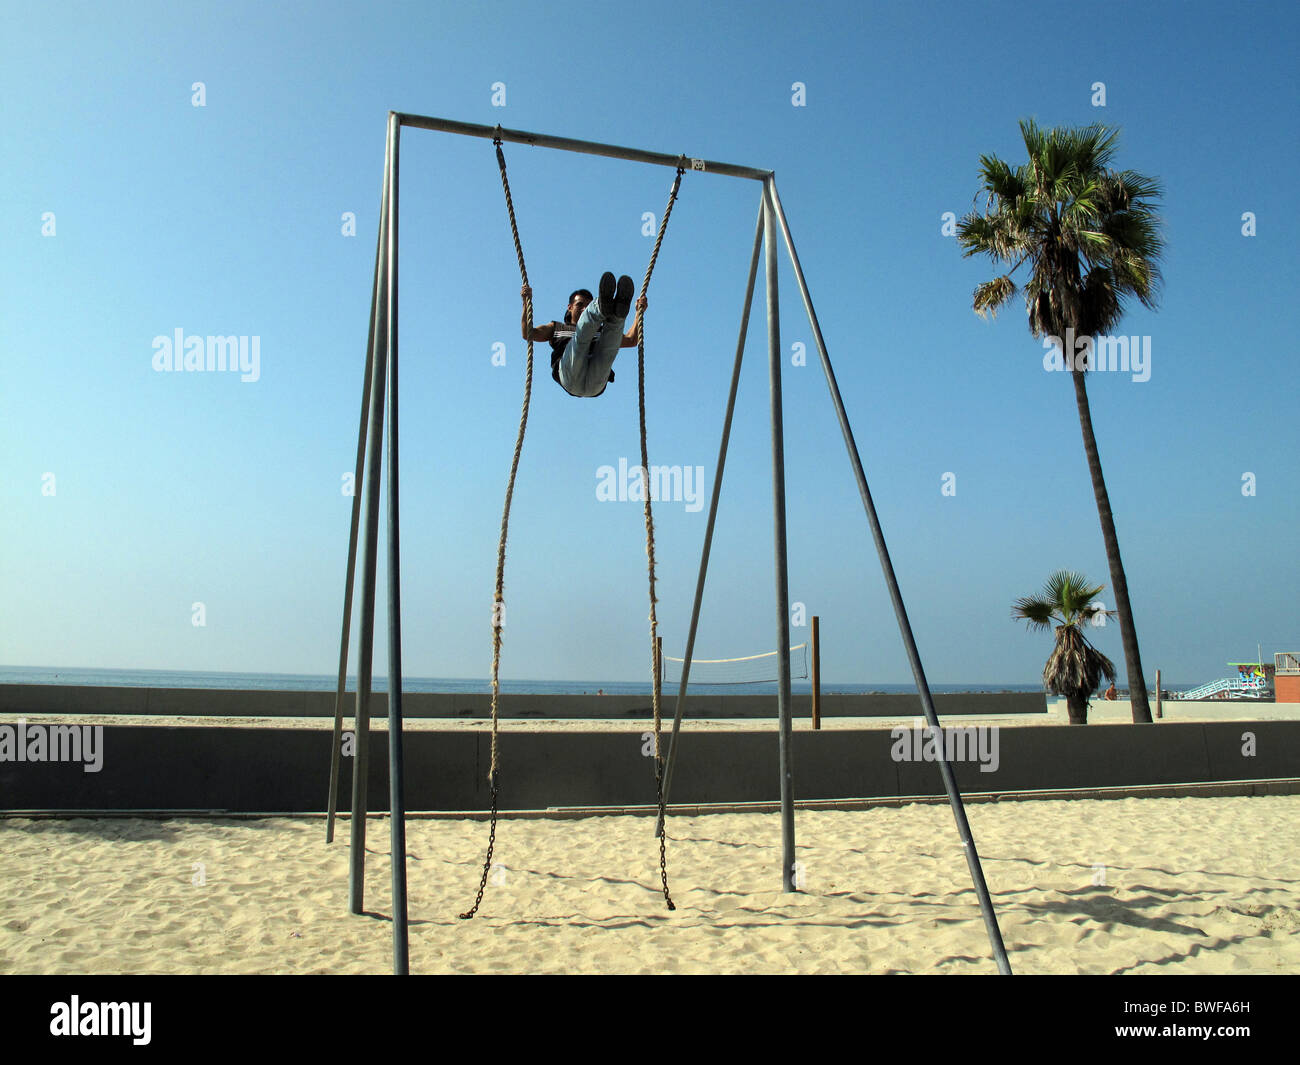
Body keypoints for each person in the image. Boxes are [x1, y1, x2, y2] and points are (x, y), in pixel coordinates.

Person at [520, 272, 647, 398]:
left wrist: (637, 313)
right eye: (580, 304)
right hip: (571, 377)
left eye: (587, 305)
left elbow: (631, 340)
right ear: (569, 307)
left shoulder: (600, 332)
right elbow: (528, 333)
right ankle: (598, 308)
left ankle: (617, 316)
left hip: (595, 384)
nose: (584, 308)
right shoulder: (556, 327)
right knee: (580, 339)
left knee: (608, 347)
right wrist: (525, 303)